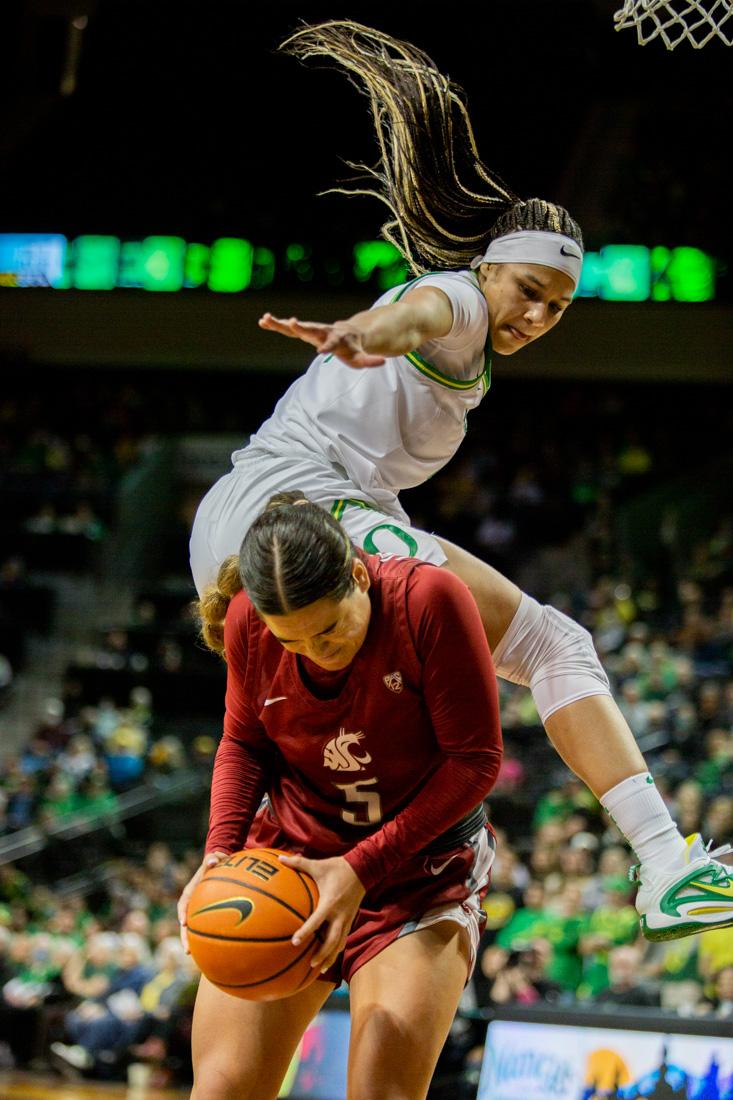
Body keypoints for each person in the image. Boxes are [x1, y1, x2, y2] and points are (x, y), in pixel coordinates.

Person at [189, 19, 732, 942]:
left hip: (257, 519)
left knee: (385, 678)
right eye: (529, 290)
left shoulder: (474, 315)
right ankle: (663, 863)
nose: (537, 314)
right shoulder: (459, 303)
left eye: (556, 306)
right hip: (303, 503)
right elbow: (420, 313)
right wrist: (365, 336)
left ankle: (292, 854)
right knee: (552, 646)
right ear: (490, 268)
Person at [179, 494, 503, 1099]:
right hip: (292, 864)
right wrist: (219, 853)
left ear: (359, 574)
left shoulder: (429, 600)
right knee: (221, 1090)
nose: (316, 652)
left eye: (328, 629)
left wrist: (358, 869)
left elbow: (476, 762)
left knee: (382, 1091)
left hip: (417, 874)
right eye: (292, 641)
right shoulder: (246, 620)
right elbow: (242, 744)